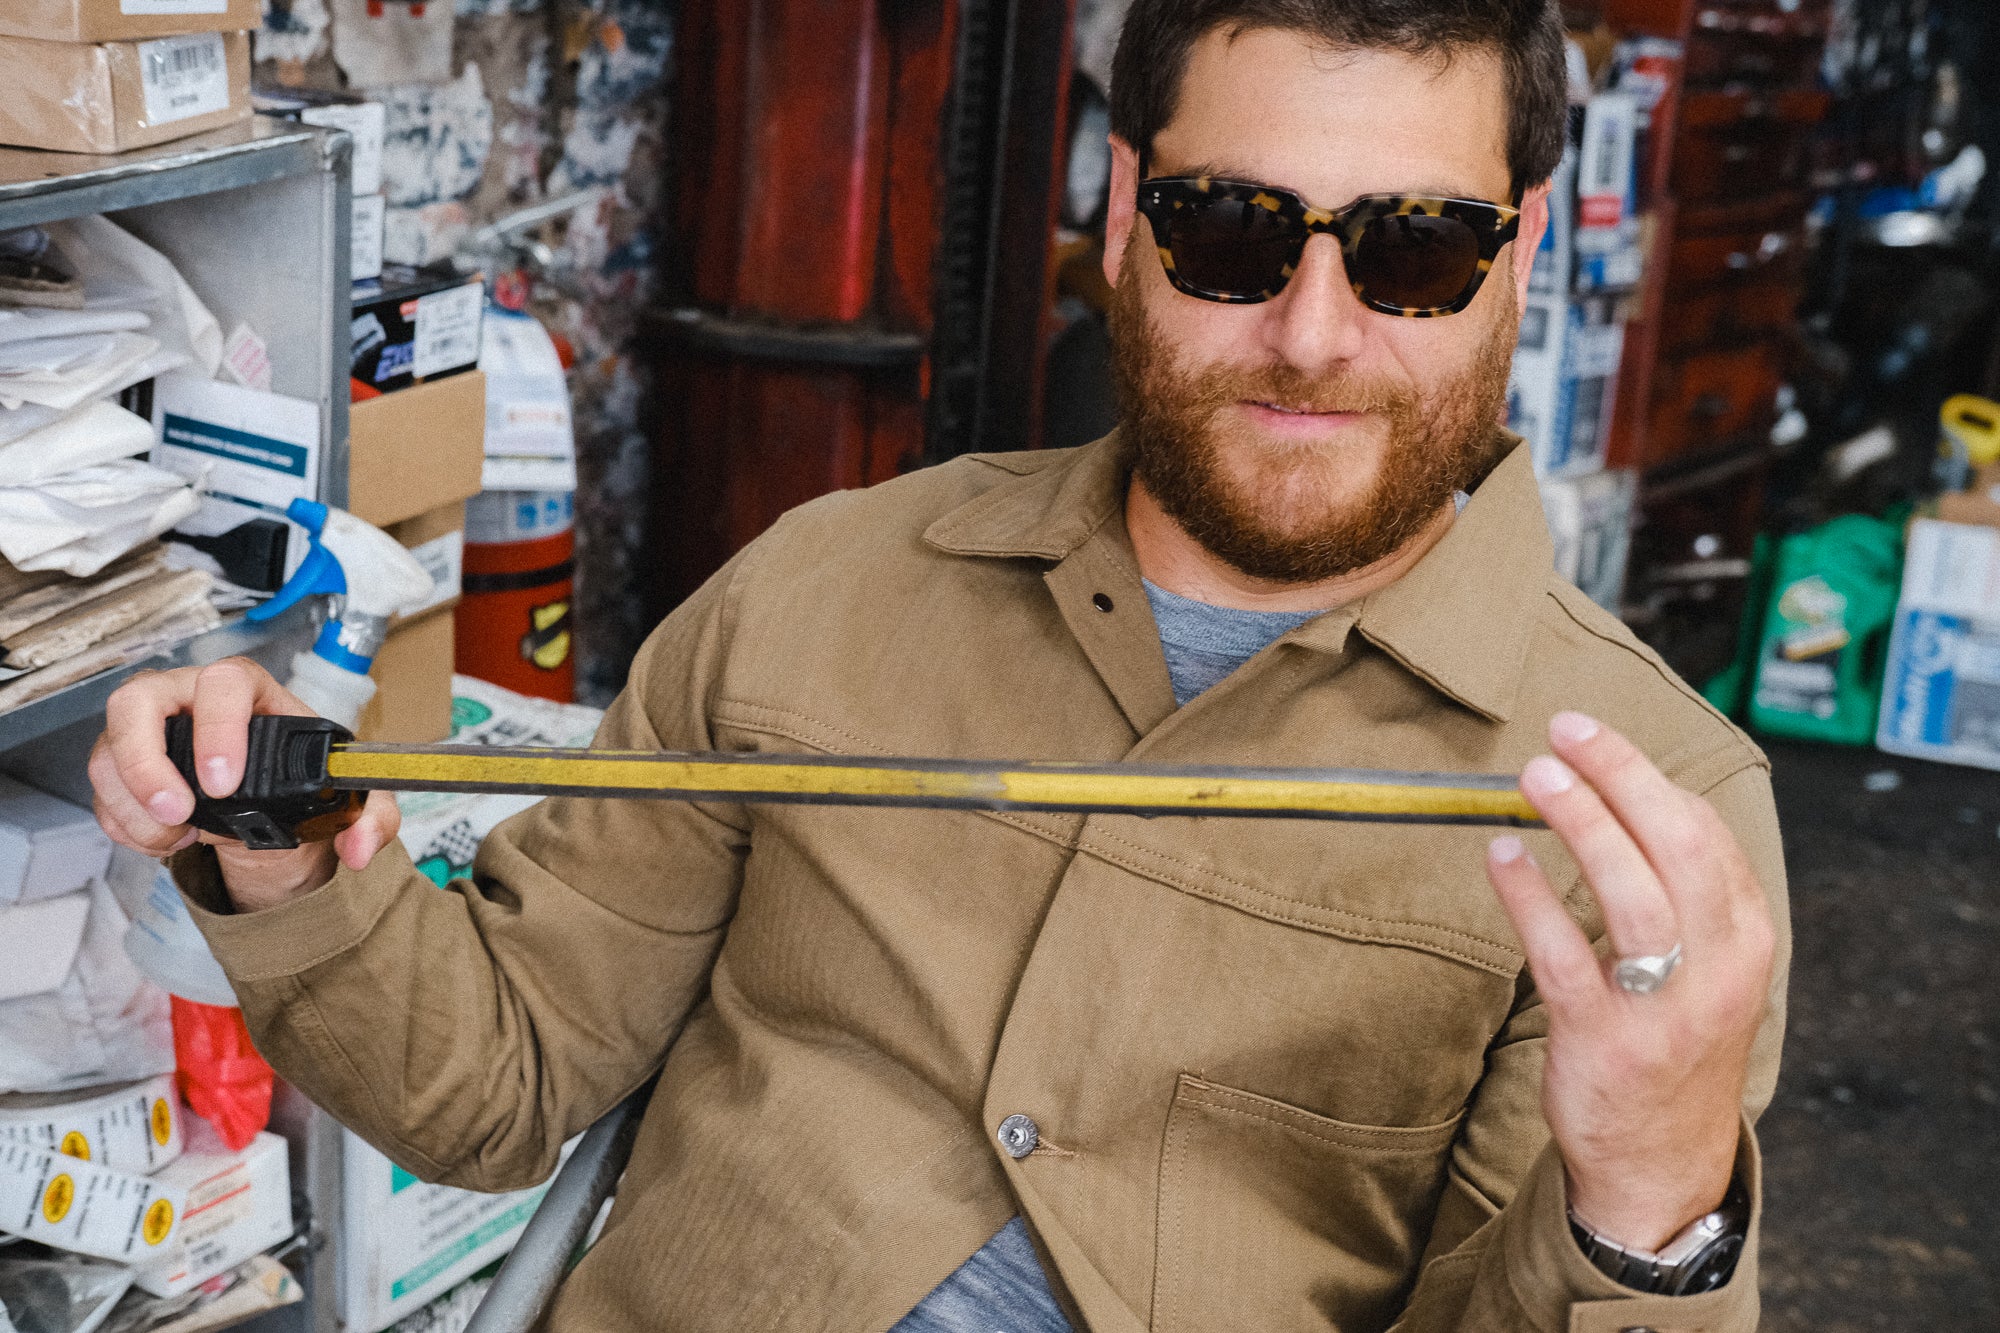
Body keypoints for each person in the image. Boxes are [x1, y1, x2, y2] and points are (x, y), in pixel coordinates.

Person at [89, 1, 1788, 1328]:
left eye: (1413, 248)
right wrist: (283, 856)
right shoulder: (833, 582)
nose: (1315, 332)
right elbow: (497, 1081)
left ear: (1524, 250)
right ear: (1124, 211)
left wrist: (1647, 1210)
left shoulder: (1644, 823)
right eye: (1229, 229)